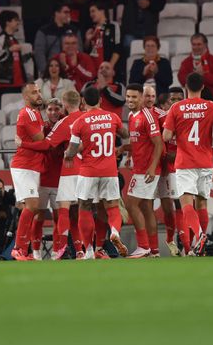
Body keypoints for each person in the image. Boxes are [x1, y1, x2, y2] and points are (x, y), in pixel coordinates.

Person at [161, 72, 213, 256]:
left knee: (186, 203)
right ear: (203, 87)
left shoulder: (176, 108)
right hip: (205, 162)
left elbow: (166, 136)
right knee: (202, 203)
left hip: (185, 162)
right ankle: (199, 248)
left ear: (186, 87)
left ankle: (200, 236)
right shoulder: (212, 107)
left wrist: (179, 129)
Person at [17, 88, 85, 259]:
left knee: (59, 216)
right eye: (50, 109)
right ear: (45, 111)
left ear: (62, 109)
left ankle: (57, 251)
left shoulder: (66, 124)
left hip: (61, 179)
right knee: (38, 215)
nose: (54, 112)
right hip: (42, 177)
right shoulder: (42, 128)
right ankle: (37, 252)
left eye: (57, 109)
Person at [65, 86, 129, 258]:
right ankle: (114, 232)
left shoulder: (79, 122)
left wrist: (68, 154)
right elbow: (125, 133)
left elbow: (71, 151)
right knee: (112, 206)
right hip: (109, 170)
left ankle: (89, 251)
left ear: (83, 102)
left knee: (84, 207)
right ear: (101, 101)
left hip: (88, 172)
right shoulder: (112, 117)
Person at [121, 84, 163, 258]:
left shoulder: (147, 116)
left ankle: (143, 246)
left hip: (147, 170)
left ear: (141, 97)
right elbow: (140, 141)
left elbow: (158, 143)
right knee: (146, 208)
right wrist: (125, 149)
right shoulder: (132, 116)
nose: (130, 100)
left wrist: (153, 167)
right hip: (139, 167)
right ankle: (154, 250)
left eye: (134, 97)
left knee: (130, 203)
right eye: (128, 97)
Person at [9, 83, 47, 261]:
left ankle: (25, 249)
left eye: (39, 91)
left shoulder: (36, 113)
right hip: (24, 166)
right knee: (31, 205)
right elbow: (42, 142)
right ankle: (18, 248)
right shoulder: (27, 114)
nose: (38, 95)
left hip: (32, 166)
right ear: (26, 97)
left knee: (33, 208)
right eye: (34, 93)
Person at [153, 86, 184, 256]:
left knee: (184, 205)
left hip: (183, 168)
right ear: (167, 103)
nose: (176, 103)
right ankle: (171, 240)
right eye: (173, 99)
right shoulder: (163, 121)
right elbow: (158, 145)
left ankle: (186, 245)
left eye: (179, 99)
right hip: (166, 169)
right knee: (168, 208)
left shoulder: (187, 119)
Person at [0, 9, 30, 92]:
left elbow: (17, 60)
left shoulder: (15, 40)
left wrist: (29, 55)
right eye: (15, 20)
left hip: (19, 82)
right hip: (5, 82)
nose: (18, 23)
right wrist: (9, 50)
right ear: (7, 22)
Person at [178, 34, 213, 103]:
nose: (196, 47)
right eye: (194, 44)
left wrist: (204, 75)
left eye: (199, 44)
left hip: (211, 102)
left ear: (205, 44)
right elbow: (182, 79)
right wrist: (195, 75)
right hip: (191, 104)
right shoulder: (186, 62)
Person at [33, 3, 74, 74]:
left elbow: (79, 51)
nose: (68, 15)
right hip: (51, 70)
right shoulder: (44, 31)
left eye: (69, 12)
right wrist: (45, 71)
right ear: (57, 13)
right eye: (65, 12)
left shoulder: (74, 30)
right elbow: (39, 52)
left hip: (70, 71)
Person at [84, 2, 121, 77]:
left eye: (93, 11)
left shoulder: (113, 26)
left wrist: (109, 67)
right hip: (92, 70)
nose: (91, 14)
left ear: (102, 11)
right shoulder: (91, 29)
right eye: (90, 12)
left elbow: (117, 48)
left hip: (107, 68)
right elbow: (86, 50)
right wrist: (88, 40)